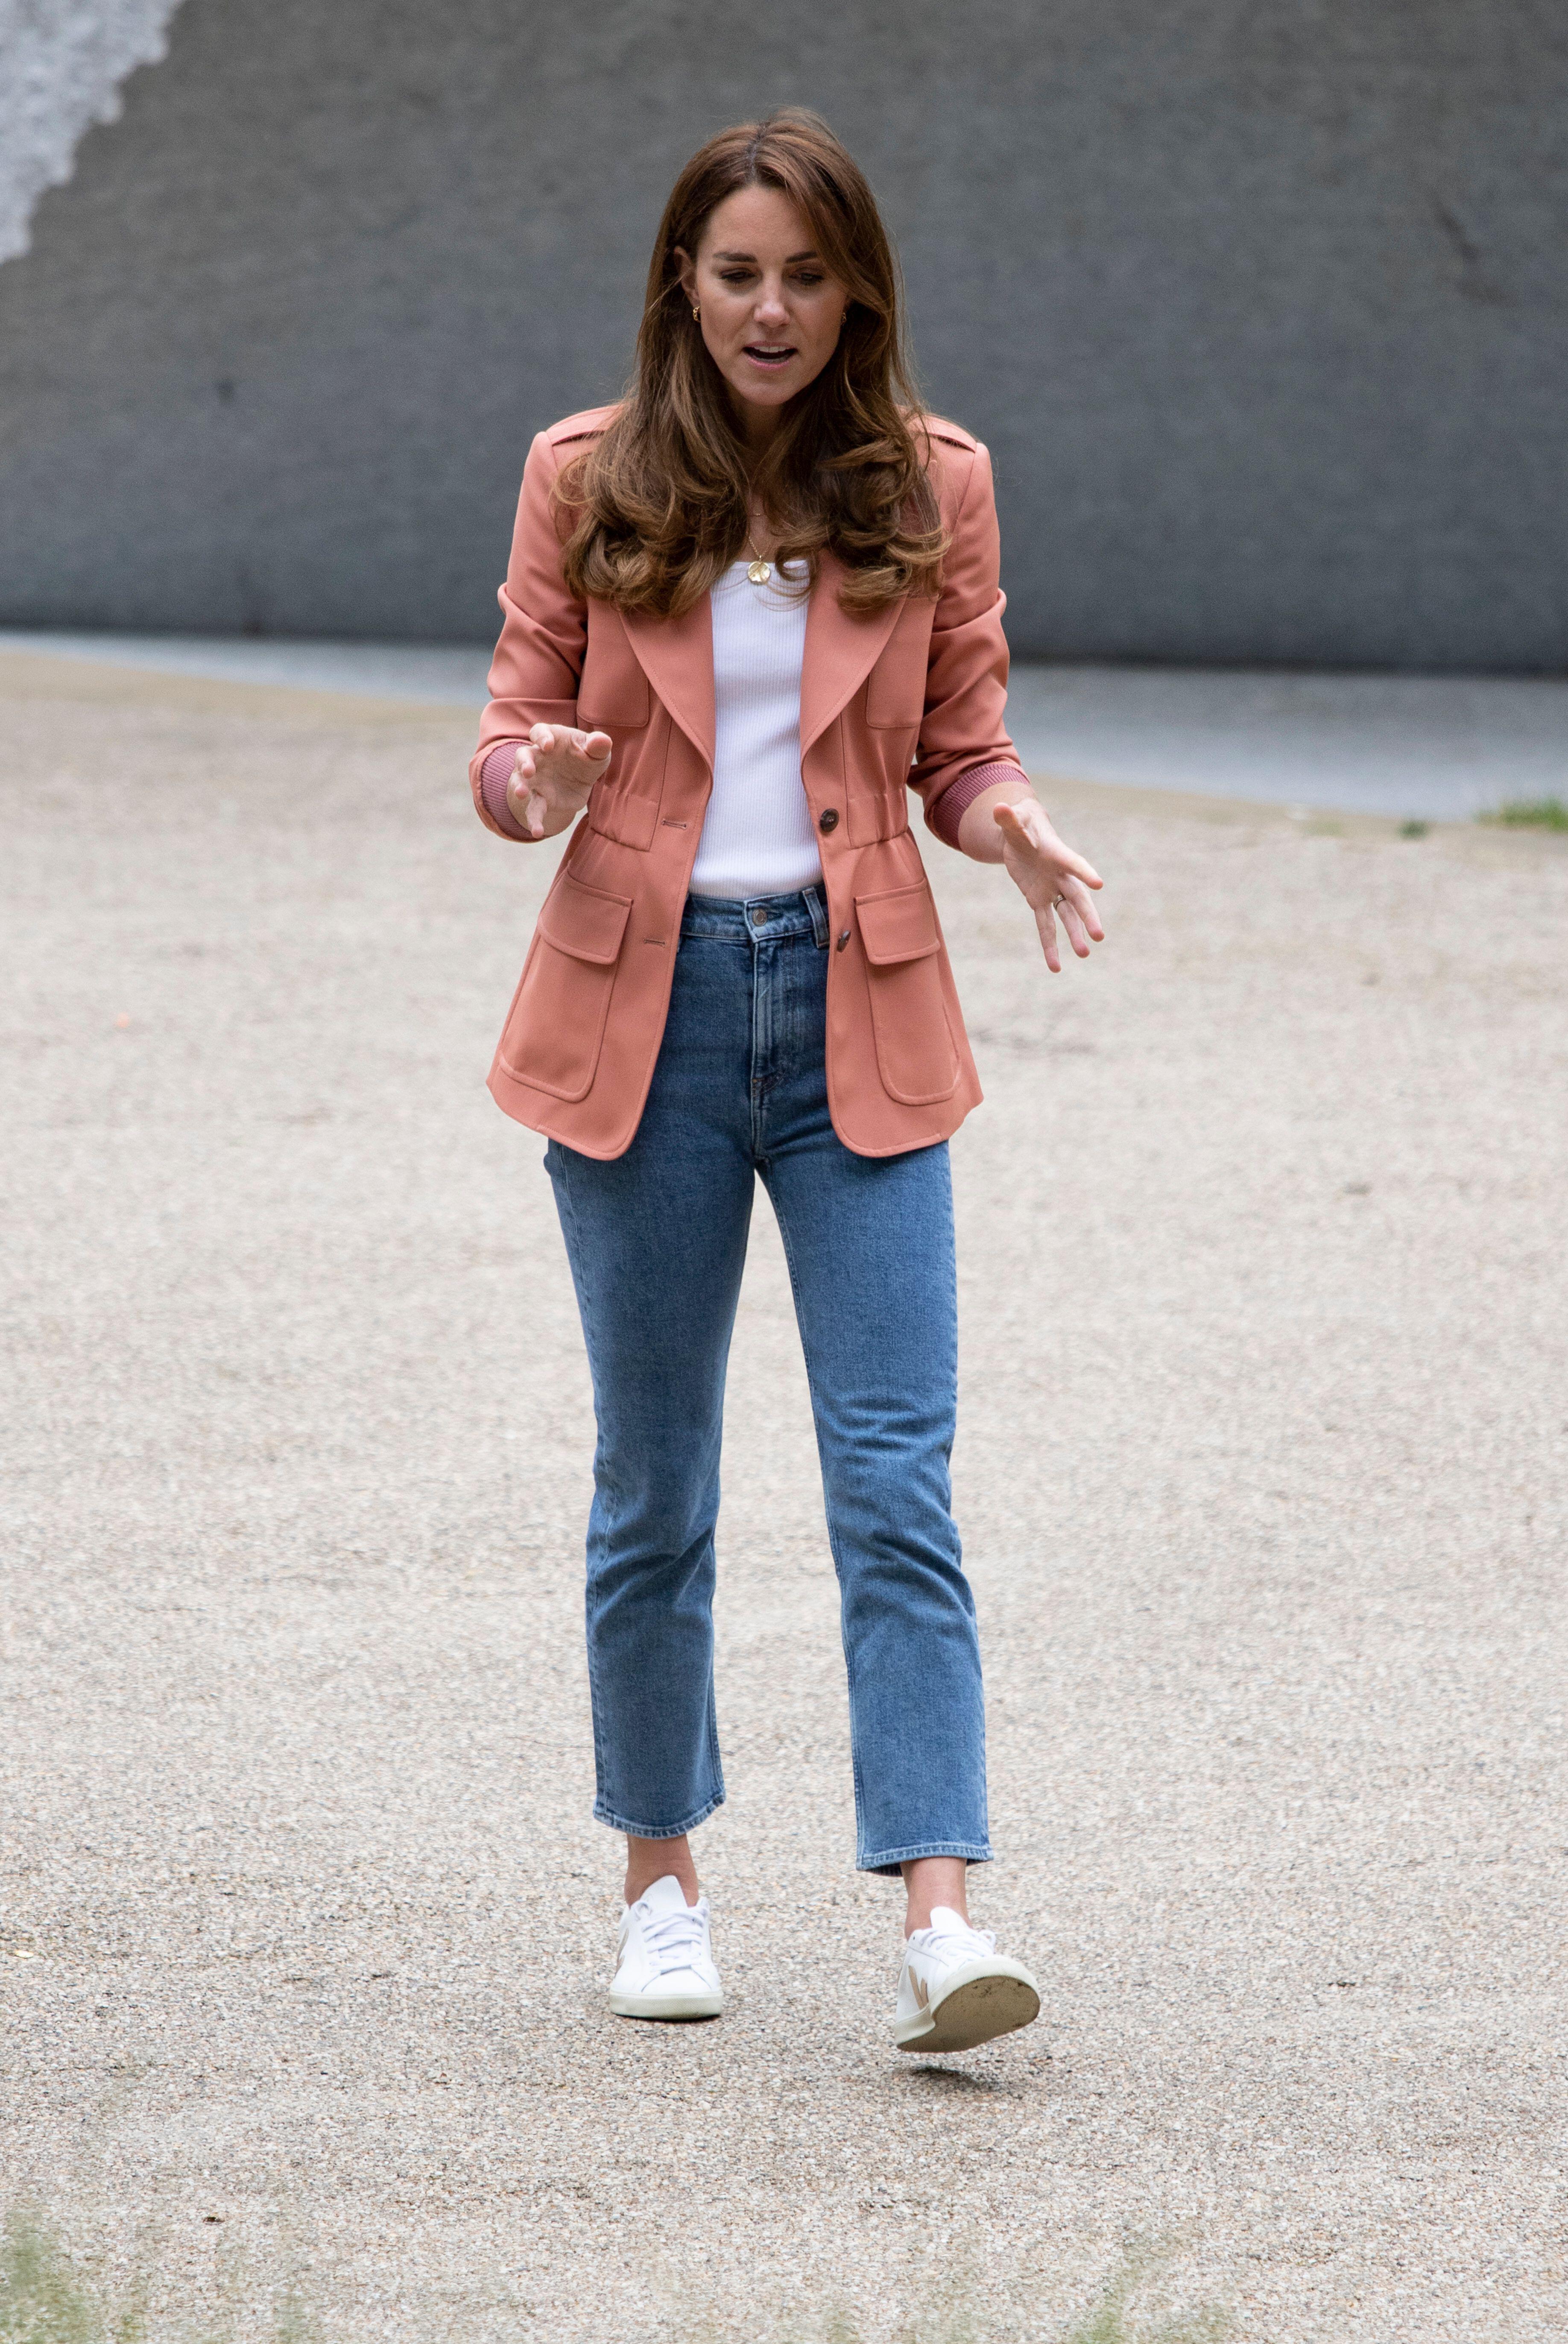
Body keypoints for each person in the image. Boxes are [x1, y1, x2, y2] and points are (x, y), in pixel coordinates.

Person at [469, 111, 1104, 2055]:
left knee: (893, 1482)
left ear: (858, 293)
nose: (774, 309)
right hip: (642, 1024)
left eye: (810, 277)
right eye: (740, 272)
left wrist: (1010, 829)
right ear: (688, 281)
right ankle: (661, 1886)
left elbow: (962, 741)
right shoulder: (586, 474)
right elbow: (506, 740)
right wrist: (545, 784)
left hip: (859, 1020)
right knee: (654, 1484)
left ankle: (940, 1916)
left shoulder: (932, 483)